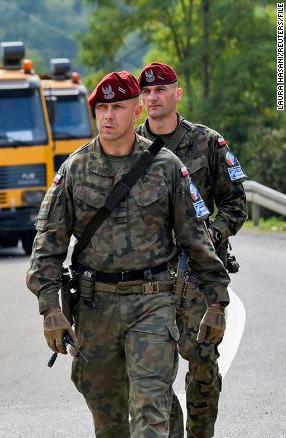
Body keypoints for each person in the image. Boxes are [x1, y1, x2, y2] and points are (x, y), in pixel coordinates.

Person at [26, 71, 230, 437]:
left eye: (117, 107)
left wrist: (217, 303)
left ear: (136, 111)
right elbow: (47, 248)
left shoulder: (167, 168)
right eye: (101, 108)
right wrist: (50, 310)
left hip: (152, 304)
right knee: (109, 423)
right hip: (93, 309)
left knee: (150, 410)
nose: (107, 116)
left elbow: (196, 240)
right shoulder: (75, 170)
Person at [136, 61, 247, 438]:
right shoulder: (128, 147)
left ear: (176, 94)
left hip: (196, 276)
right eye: (147, 92)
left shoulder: (207, 143)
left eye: (161, 90)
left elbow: (235, 204)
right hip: (147, 278)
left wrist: (211, 237)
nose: (153, 97)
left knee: (202, 364)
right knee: (152, 371)